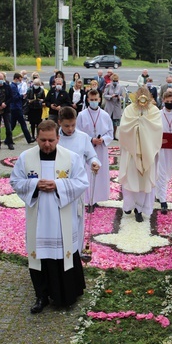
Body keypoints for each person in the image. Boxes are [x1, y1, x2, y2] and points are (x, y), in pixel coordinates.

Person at [10, 119, 89, 314]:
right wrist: (34, 185)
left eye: (51, 140)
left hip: (62, 216)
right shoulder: (25, 157)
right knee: (39, 256)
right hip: (38, 218)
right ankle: (41, 296)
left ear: (58, 138)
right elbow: (15, 181)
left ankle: (66, 295)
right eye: (43, 140)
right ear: (36, 138)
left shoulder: (70, 158)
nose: (47, 144)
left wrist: (58, 185)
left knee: (63, 254)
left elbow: (82, 181)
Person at [58, 106, 101, 251]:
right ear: (59, 123)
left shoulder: (83, 137)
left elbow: (91, 155)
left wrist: (95, 163)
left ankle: (77, 250)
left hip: (77, 187)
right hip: (59, 186)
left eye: (73, 125)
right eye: (66, 125)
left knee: (77, 218)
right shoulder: (54, 139)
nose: (70, 129)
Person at [119, 87, 163, 223]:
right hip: (132, 153)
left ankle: (139, 209)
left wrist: (142, 124)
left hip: (147, 153)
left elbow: (157, 129)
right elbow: (123, 128)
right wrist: (137, 125)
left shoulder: (154, 111)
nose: (142, 98)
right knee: (132, 181)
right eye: (140, 95)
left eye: (145, 95)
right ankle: (128, 205)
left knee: (143, 183)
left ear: (149, 97)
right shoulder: (129, 109)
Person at [76, 89, 113, 212]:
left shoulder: (105, 115)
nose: (94, 102)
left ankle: (96, 198)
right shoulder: (82, 115)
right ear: (87, 100)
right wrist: (91, 139)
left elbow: (110, 133)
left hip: (101, 150)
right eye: (91, 100)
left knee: (99, 174)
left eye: (96, 99)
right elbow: (78, 132)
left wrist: (103, 139)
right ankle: (88, 200)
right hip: (87, 149)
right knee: (88, 173)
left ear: (100, 99)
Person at [10, 73, 33, 144]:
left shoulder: (14, 86)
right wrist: (22, 96)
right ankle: (29, 139)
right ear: (16, 78)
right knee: (23, 123)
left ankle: (8, 139)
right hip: (16, 107)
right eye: (20, 79)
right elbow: (14, 97)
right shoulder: (13, 87)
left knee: (12, 124)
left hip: (15, 107)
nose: (20, 81)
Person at [103, 73, 124, 140]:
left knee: (115, 122)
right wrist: (110, 96)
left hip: (116, 106)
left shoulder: (120, 87)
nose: (115, 82)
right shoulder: (108, 86)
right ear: (111, 80)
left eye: (116, 80)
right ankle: (107, 134)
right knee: (108, 121)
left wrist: (118, 97)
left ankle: (114, 135)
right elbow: (104, 95)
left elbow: (123, 97)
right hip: (109, 105)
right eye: (114, 80)